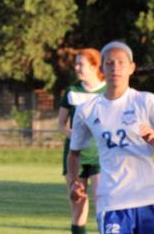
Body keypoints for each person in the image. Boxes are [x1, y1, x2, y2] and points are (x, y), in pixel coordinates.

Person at [68, 41, 154, 234]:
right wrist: (75, 182)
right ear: (102, 68)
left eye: (121, 63)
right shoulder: (87, 109)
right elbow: (74, 153)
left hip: (149, 199)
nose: (115, 68)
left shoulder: (146, 102)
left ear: (131, 68)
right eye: (109, 63)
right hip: (112, 202)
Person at [58, 48, 107, 234]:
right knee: (78, 206)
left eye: (81, 64)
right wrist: (74, 135)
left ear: (95, 66)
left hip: (100, 156)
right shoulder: (72, 91)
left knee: (101, 203)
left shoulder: (107, 90)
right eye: (76, 64)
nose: (77, 68)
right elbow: (61, 124)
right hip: (75, 156)